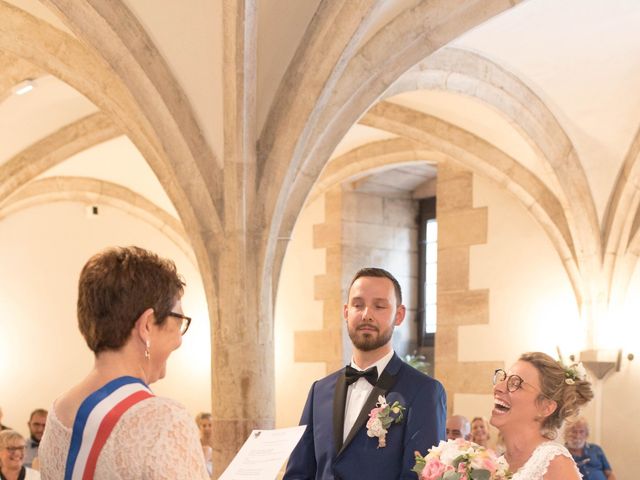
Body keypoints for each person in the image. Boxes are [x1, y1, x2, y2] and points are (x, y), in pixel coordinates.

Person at [38, 246, 209, 479]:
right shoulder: (165, 419)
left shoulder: (59, 413)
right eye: (178, 320)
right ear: (147, 325)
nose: (179, 338)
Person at [284, 267, 447, 479]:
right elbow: (299, 473)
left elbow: (420, 476)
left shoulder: (424, 391)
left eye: (379, 306)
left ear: (399, 315)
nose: (366, 314)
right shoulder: (319, 390)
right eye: (358, 305)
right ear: (346, 312)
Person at [491, 352, 593, 480]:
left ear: (546, 408)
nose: (498, 387)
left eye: (516, 384)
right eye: (503, 379)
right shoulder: (500, 462)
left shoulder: (555, 463)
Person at [195, 412, 214, 477]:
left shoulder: (218, 443)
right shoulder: (197, 443)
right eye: (204, 425)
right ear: (199, 427)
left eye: (210, 425)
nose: (207, 428)